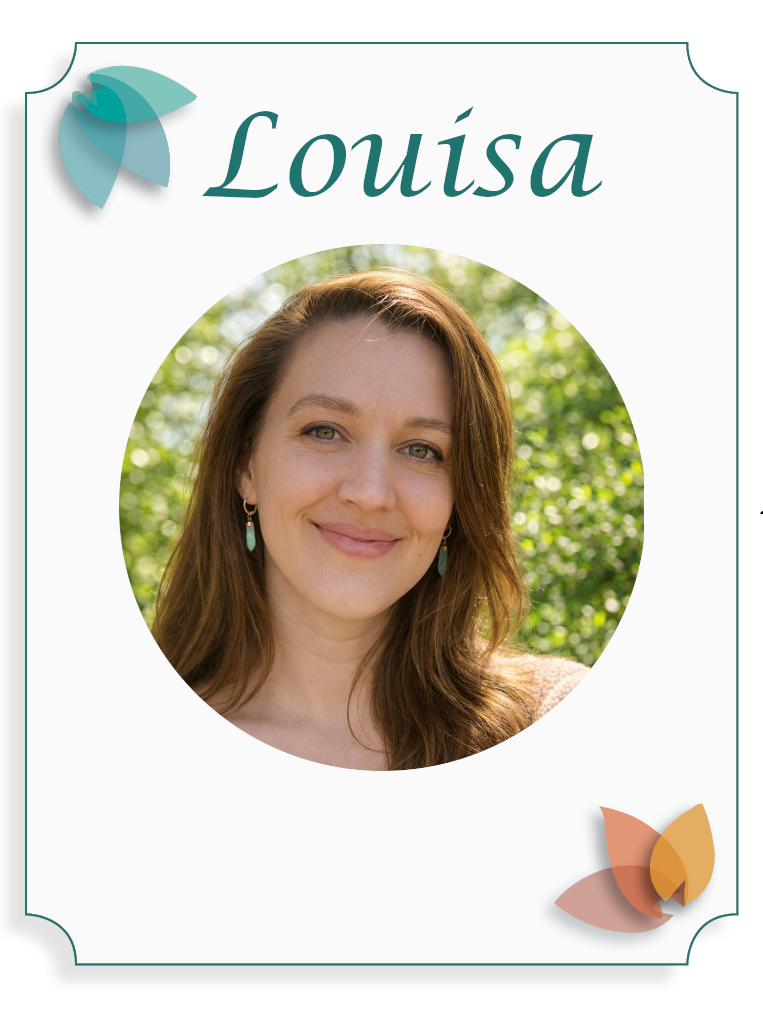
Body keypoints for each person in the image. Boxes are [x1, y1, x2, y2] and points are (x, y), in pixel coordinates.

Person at [153, 269, 587, 770]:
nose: (370, 492)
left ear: (460, 498)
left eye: (422, 450)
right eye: (324, 431)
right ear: (245, 465)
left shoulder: (556, 718)